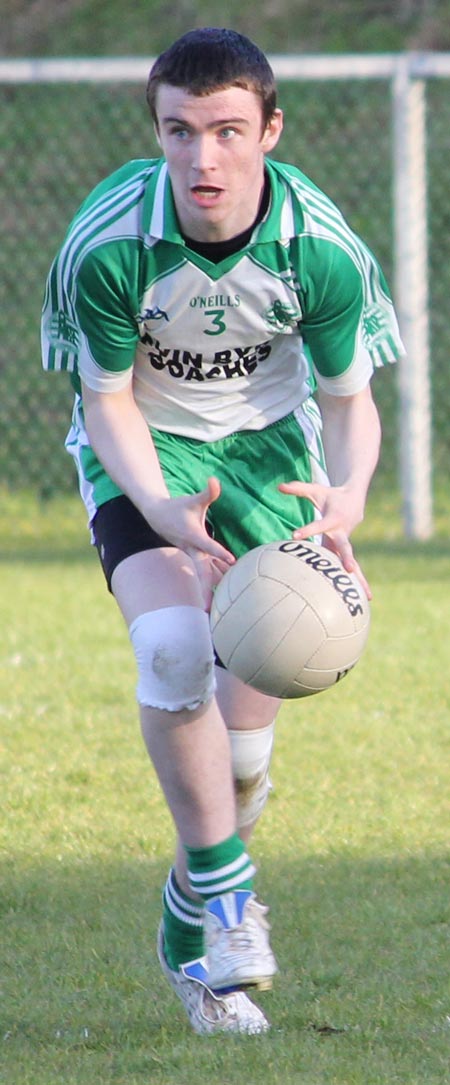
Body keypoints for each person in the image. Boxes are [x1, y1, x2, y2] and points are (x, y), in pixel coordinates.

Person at [41, 27, 405, 1036]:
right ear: (158, 129)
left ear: (271, 129)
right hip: (147, 453)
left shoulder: (317, 245)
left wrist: (348, 492)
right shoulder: (113, 239)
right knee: (171, 646)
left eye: (228, 130)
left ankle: (185, 925)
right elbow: (106, 400)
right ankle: (231, 905)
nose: (204, 158)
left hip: (268, 461)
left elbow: (349, 399)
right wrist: (157, 505)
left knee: (242, 757)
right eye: (181, 130)